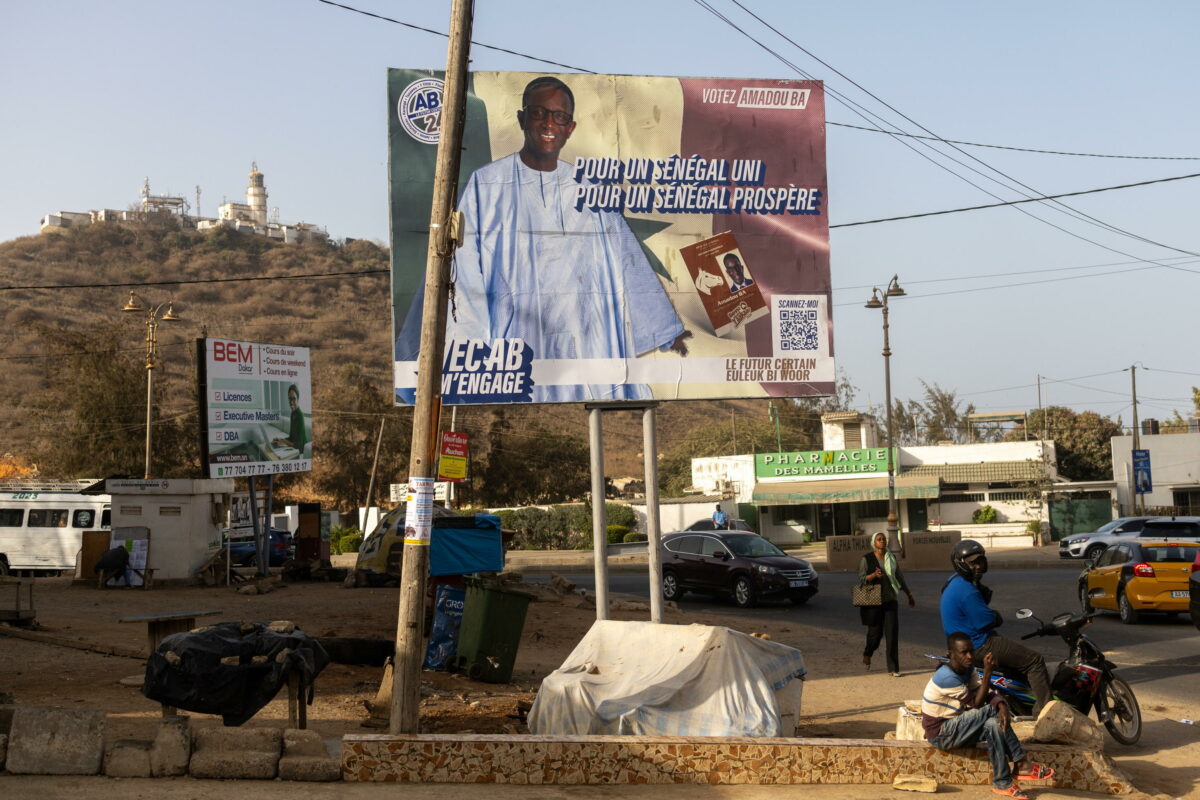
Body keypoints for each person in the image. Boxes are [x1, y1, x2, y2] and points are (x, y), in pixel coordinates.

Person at [395, 76, 692, 403]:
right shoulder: (488, 184)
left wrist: (665, 330)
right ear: (522, 119)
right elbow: (463, 268)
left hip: (585, 338)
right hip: (517, 340)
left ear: (571, 127)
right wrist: (474, 351)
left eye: (559, 117)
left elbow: (627, 258)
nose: (549, 123)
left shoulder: (588, 189)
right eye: (538, 113)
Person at [922, 632, 1055, 800]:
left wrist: (1000, 704)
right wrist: (988, 673)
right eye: (964, 653)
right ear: (951, 654)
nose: (970, 656)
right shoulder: (946, 677)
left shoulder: (967, 668)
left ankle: (1002, 782)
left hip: (958, 728)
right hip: (941, 733)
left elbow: (981, 690)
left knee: (994, 723)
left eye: (971, 651)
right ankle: (1021, 763)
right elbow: (976, 703)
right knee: (991, 712)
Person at [940, 539, 1052, 714]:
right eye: (973, 563)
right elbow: (985, 621)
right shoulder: (968, 591)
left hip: (961, 642)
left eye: (980, 562)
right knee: (1034, 661)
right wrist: (996, 616)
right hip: (979, 644)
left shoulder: (954, 581)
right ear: (961, 564)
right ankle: (1046, 713)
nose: (978, 567)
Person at [857, 531, 914, 676]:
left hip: (890, 601)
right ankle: (868, 653)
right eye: (879, 539)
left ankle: (893, 668)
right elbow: (862, 579)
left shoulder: (891, 558)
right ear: (874, 543)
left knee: (892, 634)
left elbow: (899, 577)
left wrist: (908, 594)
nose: (882, 541)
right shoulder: (867, 559)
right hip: (873, 602)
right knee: (875, 635)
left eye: (884, 539)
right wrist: (874, 575)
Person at [271, 384, 308, 456]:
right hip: (293, 446)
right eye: (290, 399)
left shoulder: (300, 415)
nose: (291, 402)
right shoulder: (292, 414)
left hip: (300, 449)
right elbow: (291, 438)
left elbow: (299, 445)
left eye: (294, 398)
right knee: (275, 452)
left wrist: (284, 442)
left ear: (298, 399)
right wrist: (280, 439)